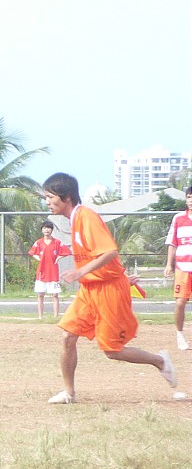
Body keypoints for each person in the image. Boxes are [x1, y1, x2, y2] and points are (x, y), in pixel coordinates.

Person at [41, 172, 176, 404]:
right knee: (68, 336)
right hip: (89, 289)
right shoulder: (74, 219)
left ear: (66, 197)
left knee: (112, 350)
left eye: (50, 197)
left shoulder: (86, 216)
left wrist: (82, 273)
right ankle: (69, 393)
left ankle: (160, 361)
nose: (47, 202)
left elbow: (110, 251)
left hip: (108, 290)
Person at [163, 185, 192, 351]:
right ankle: (180, 334)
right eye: (189, 197)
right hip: (183, 267)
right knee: (180, 302)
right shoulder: (178, 219)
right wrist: (169, 264)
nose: (191, 200)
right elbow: (172, 243)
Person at [28, 219, 72, 318]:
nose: (46, 230)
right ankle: (40, 316)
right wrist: (38, 258)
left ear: (51, 230)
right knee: (40, 295)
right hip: (41, 272)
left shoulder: (57, 242)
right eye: (44, 228)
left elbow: (67, 251)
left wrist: (58, 258)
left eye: (48, 228)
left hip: (53, 272)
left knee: (55, 295)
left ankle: (56, 316)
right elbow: (32, 252)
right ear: (42, 230)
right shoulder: (39, 242)